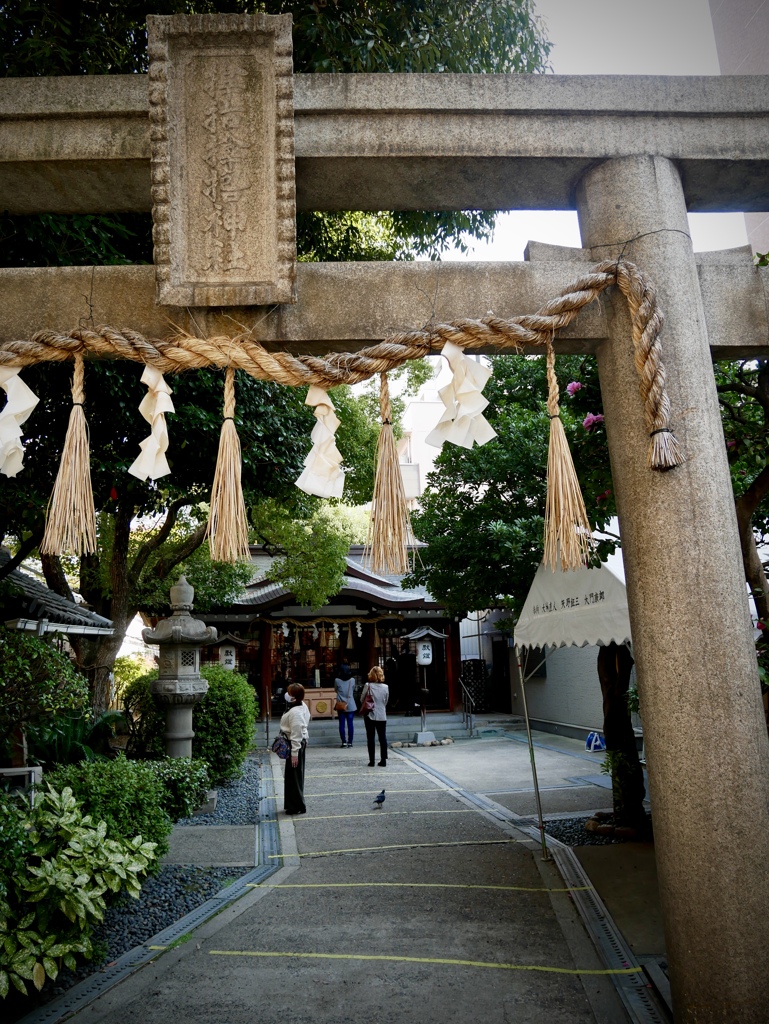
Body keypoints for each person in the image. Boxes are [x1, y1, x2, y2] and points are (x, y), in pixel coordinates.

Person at [279, 683, 310, 814]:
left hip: (295, 744)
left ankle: (296, 805)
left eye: (289, 693)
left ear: (292, 696)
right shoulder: (301, 706)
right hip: (297, 743)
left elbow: (296, 733)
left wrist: (294, 753)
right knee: (293, 776)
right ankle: (293, 804)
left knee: (294, 777)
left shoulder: (296, 712)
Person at [360, 665, 389, 767]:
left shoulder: (368, 685)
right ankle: (383, 760)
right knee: (382, 737)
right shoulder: (386, 687)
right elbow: (386, 701)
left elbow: (362, 699)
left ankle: (371, 760)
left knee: (370, 737)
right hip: (381, 714)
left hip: (370, 714)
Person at [334, 663, 357, 748]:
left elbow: (335, 690)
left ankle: (343, 742)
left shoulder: (337, 680)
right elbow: (353, 689)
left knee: (342, 724)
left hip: (341, 705)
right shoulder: (352, 680)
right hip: (350, 704)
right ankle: (350, 742)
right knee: (350, 724)